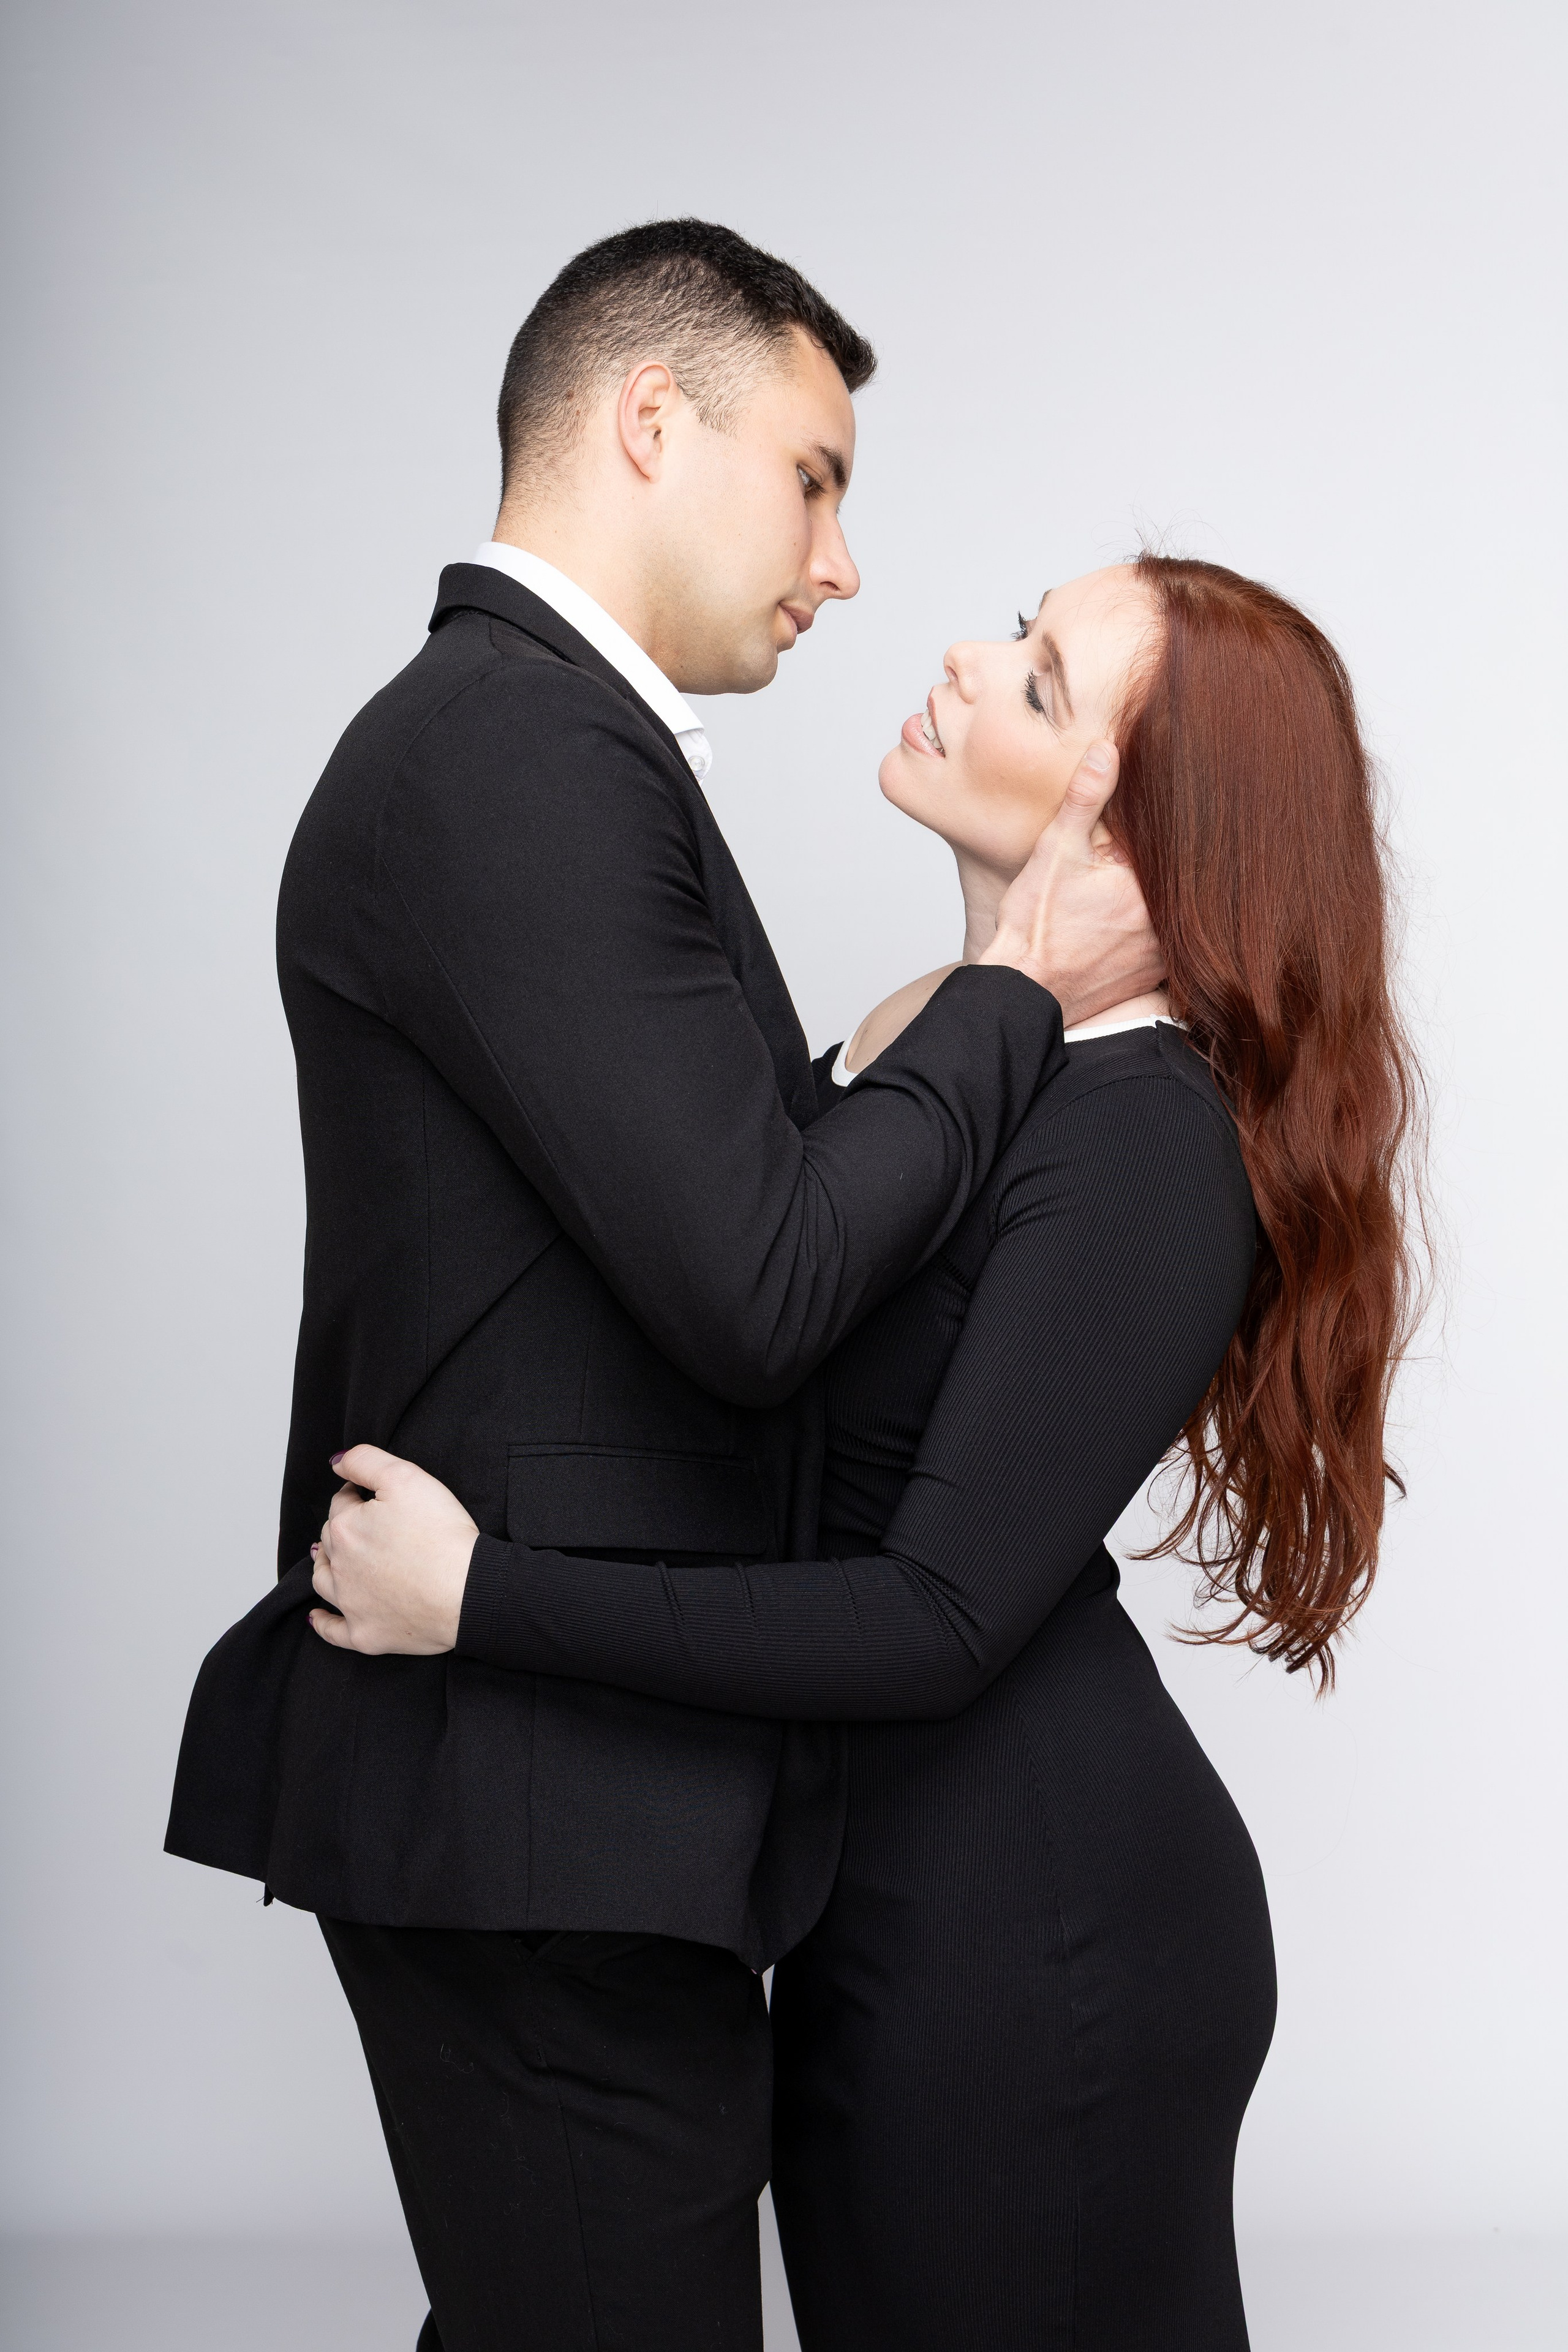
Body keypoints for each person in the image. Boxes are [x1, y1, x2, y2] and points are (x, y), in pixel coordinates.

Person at [164, 221, 1160, 2352]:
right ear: (648, 422)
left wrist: (870, 1070)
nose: (845, 561)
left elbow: (684, 1214)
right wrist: (1007, 998)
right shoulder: (516, 753)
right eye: (816, 476)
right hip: (539, 1801)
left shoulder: (527, 750)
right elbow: (759, 1287)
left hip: (579, 1798)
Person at [312, 555, 1425, 2349]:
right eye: (1014, 627)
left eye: (1042, 686)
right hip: (876, 1910)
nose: (966, 668)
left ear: (1140, 847)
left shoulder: (1146, 1134)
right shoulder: (954, 1027)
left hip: (1034, 1935)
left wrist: (484, 1599)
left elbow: (931, 1617)